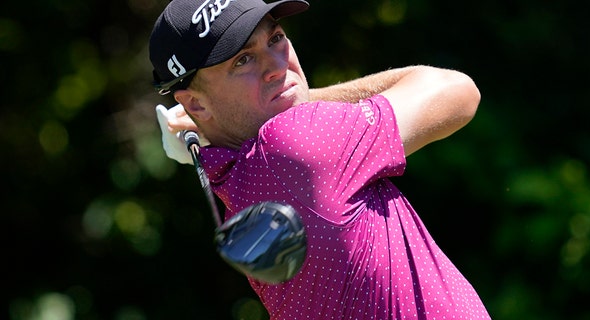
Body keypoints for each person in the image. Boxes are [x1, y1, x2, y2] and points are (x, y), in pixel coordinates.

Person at [149, 0, 490, 318]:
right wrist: (301, 95)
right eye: (242, 60)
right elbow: (455, 89)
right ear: (195, 105)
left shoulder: (236, 182)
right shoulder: (294, 140)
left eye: (276, 38)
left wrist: (216, 124)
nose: (277, 65)